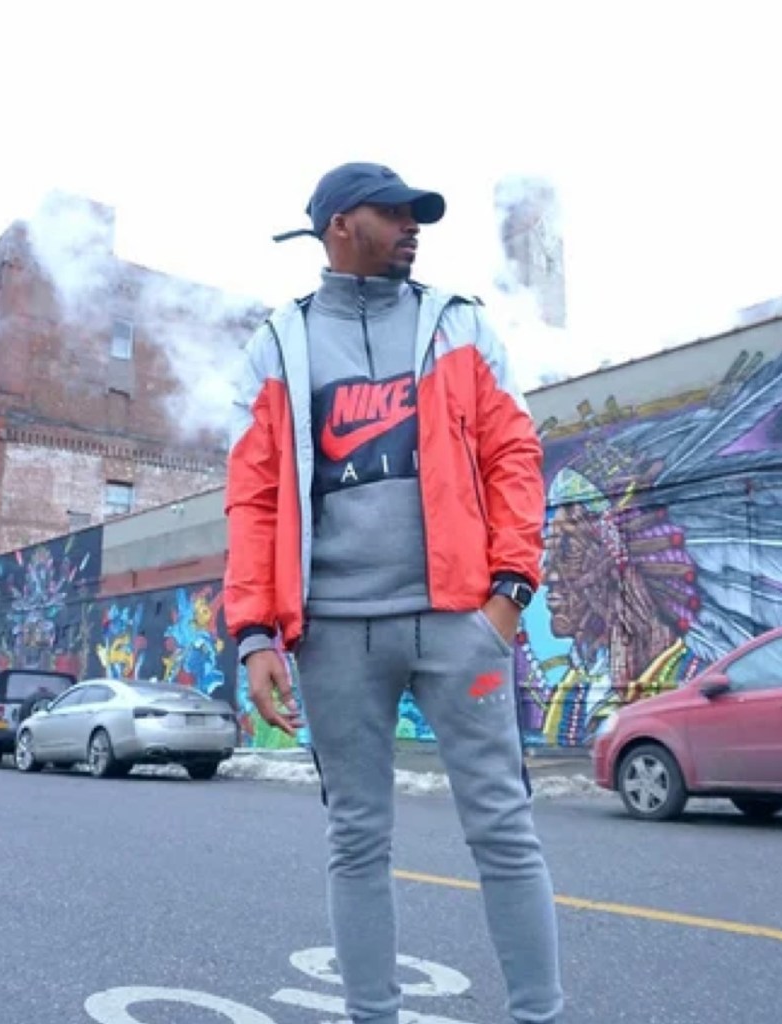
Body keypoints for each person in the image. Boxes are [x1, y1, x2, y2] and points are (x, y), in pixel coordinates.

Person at [225, 162, 563, 1024]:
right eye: (395, 213)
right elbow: (254, 496)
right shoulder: (279, 343)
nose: (413, 227)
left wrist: (508, 596)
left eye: (418, 215)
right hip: (333, 634)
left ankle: (539, 1015)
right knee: (356, 841)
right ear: (341, 225)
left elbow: (514, 456)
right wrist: (255, 634)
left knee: (503, 827)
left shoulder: (459, 324)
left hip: (461, 626)